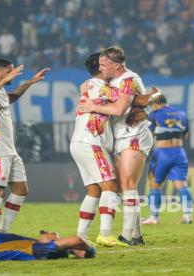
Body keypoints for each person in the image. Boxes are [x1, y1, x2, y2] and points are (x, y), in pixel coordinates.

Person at [79, 46, 158, 246]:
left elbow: (119, 108)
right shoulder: (114, 81)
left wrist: (92, 106)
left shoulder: (129, 79)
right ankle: (137, 235)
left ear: (116, 65)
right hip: (121, 137)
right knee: (124, 187)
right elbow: (134, 100)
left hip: (134, 136)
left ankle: (126, 235)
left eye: (104, 65)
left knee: (128, 185)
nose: (101, 68)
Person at [0, 58, 49, 234]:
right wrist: (3, 83)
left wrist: (30, 82)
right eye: (10, 72)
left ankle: (3, 230)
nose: (13, 75)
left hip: (8, 148)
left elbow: (11, 97)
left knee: (21, 189)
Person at [70, 52, 123, 247]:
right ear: (101, 68)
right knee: (110, 187)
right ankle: (106, 234)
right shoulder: (102, 88)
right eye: (107, 63)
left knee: (94, 191)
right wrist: (152, 96)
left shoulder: (89, 85)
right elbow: (128, 101)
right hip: (90, 142)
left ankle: (81, 236)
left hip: (79, 142)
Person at [142, 94, 193, 225]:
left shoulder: (155, 114)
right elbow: (186, 135)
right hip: (179, 152)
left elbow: (149, 134)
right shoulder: (181, 113)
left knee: (154, 184)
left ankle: (154, 217)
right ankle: (187, 216)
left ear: (156, 103)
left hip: (162, 154)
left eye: (152, 105)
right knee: (181, 185)